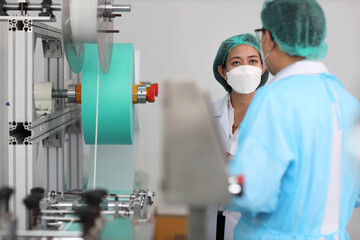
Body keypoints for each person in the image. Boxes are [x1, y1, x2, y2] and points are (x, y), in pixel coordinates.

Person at [228, 0, 360, 239]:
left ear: (269, 38)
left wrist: (221, 182)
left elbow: (253, 194)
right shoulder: (349, 104)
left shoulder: (274, 100)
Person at [207, 34, 269, 240]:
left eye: (252, 61)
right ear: (223, 71)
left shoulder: (274, 118)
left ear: (262, 67)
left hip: (254, 227)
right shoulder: (205, 115)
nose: (245, 68)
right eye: (236, 62)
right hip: (208, 224)